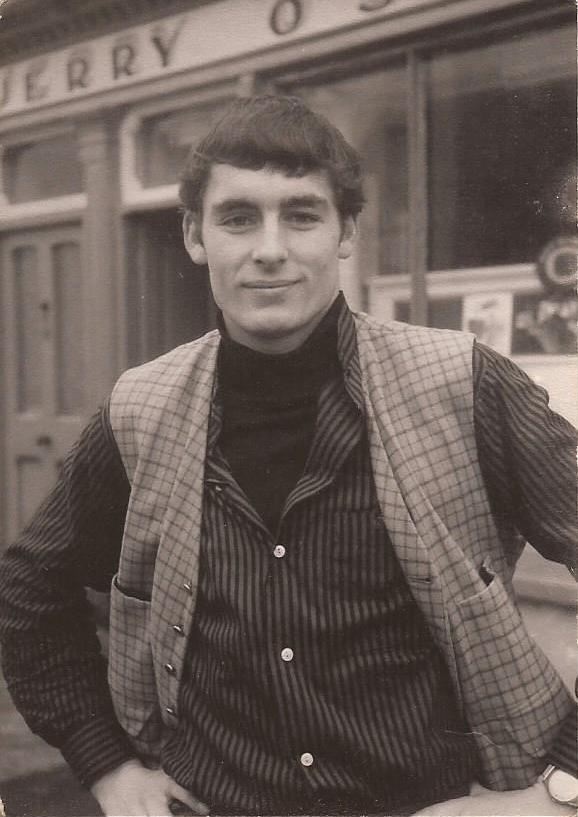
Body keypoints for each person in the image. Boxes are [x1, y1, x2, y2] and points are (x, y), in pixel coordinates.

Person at [0, 95, 576, 817]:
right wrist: (108, 766)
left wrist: (558, 793)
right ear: (195, 235)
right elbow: (28, 587)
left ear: (346, 233)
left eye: (301, 216)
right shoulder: (142, 406)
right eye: (238, 218)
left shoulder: (461, 381)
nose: (269, 248)